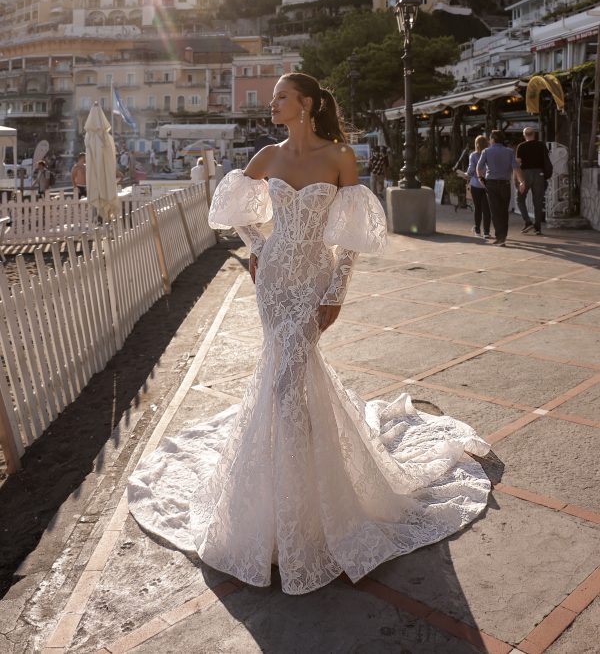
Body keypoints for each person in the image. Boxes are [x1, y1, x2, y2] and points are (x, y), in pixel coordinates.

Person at [128, 71, 491, 595]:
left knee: (288, 378)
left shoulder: (340, 156)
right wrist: (258, 247)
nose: (272, 104)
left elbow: (347, 240)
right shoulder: (268, 156)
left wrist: (336, 292)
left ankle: (306, 509)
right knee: (286, 377)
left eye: (280, 97)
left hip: (314, 279)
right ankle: (283, 506)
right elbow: (229, 208)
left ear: (306, 104)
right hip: (274, 279)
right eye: (273, 98)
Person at [476, 130, 526, 246]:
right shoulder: (509, 152)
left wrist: (481, 179)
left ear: (493, 139)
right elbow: (516, 168)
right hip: (505, 184)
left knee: (495, 211)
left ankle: (499, 237)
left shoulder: (486, 151)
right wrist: (521, 182)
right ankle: (503, 236)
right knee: (504, 211)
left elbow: (479, 168)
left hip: (491, 184)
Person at [516, 126, 550, 236]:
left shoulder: (521, 146)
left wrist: (517, 178)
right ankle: (538, 228)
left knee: (520, 198)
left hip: (525, 174)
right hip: (539, 174)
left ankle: (527, 222)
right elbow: (546, 158)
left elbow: (518, 162)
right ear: (534, 134)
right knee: (538, 201)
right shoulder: (541, 145)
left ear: (524, 135)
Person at [465, 135, 491, 239]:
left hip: (475, 184)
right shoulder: (489, 154)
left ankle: (477, 230)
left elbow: (471, 169)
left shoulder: (473, 155)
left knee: (477, 208)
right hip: (487, 184)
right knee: (487, 209)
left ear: (476, 144)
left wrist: (466, 175)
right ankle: (486, 232)